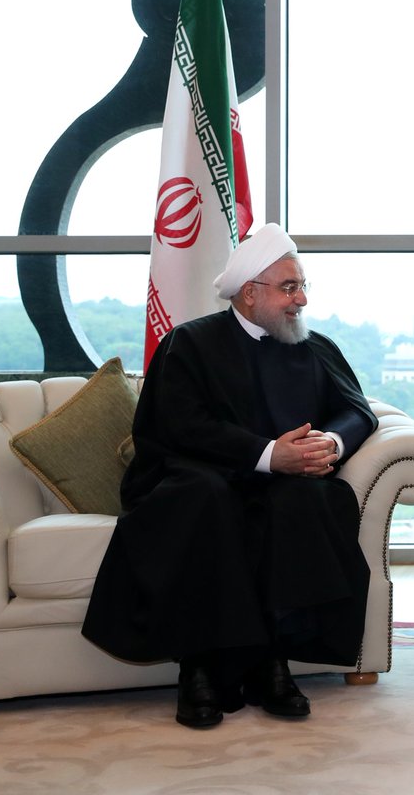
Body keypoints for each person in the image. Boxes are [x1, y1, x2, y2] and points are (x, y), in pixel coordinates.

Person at [82, 224, 378, 729]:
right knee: (204, 498)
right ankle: (197, 665)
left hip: (281, 486)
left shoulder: (314, 347)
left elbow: (357, 411)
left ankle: (272, 659)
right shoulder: (190, 343)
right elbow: (178, 426)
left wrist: (330, 443)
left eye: (302, 286)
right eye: (289, 287)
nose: (302, 299)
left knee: (302, 499)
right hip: (202, 476)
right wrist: (268, 455)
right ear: (250, 293)